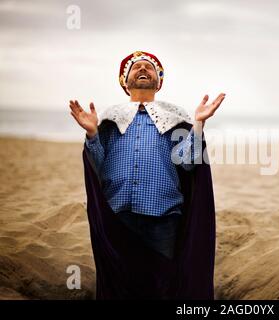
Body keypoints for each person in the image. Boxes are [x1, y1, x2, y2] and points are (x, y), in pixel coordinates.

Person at [69, 50, 225, 299]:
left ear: (159, 80)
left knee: (160, 285)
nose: (143, 69)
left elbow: (187, 163)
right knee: (120, 283)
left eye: (149, 67)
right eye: (136, 67)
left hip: (162, 218)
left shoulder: (176, 118)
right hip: (118, 214)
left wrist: (198, 124)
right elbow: (97, 165)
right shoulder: (109, 119)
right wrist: (91, 135)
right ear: (124, 79)